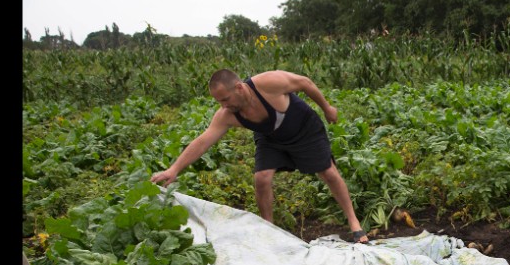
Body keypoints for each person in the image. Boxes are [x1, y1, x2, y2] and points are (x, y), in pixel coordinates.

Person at [151, 69, 369, 243]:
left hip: (303, 128)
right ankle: (270, 230)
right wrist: (174, 169)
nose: (224, 106)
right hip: (271, 138)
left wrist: (327, 107)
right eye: (219, 102)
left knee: (328, 172)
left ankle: (353, 221)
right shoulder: (227, 115)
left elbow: (304, 82)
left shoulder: (267, 83)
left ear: (238, 87)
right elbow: (203, 141)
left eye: (225, 99)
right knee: (261, 178)